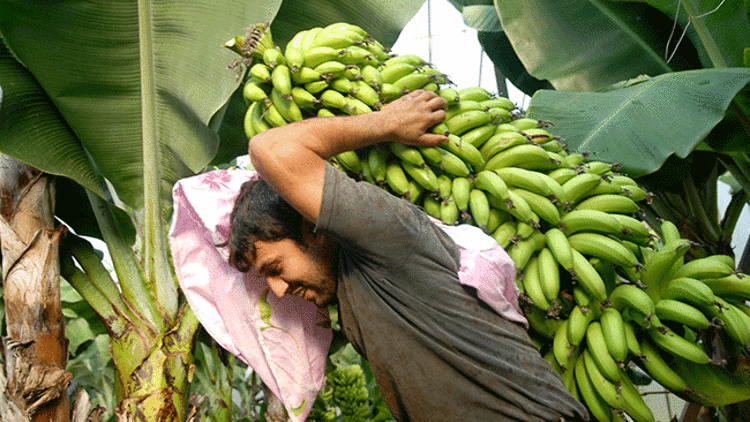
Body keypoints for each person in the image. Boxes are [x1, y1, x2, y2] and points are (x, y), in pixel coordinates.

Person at [225, 89, 590, 422]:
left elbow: (269, 148)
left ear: (313, 229)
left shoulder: (384, 235)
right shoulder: (351, 295)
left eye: (275, 267)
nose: (277, 289)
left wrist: (383, 123)